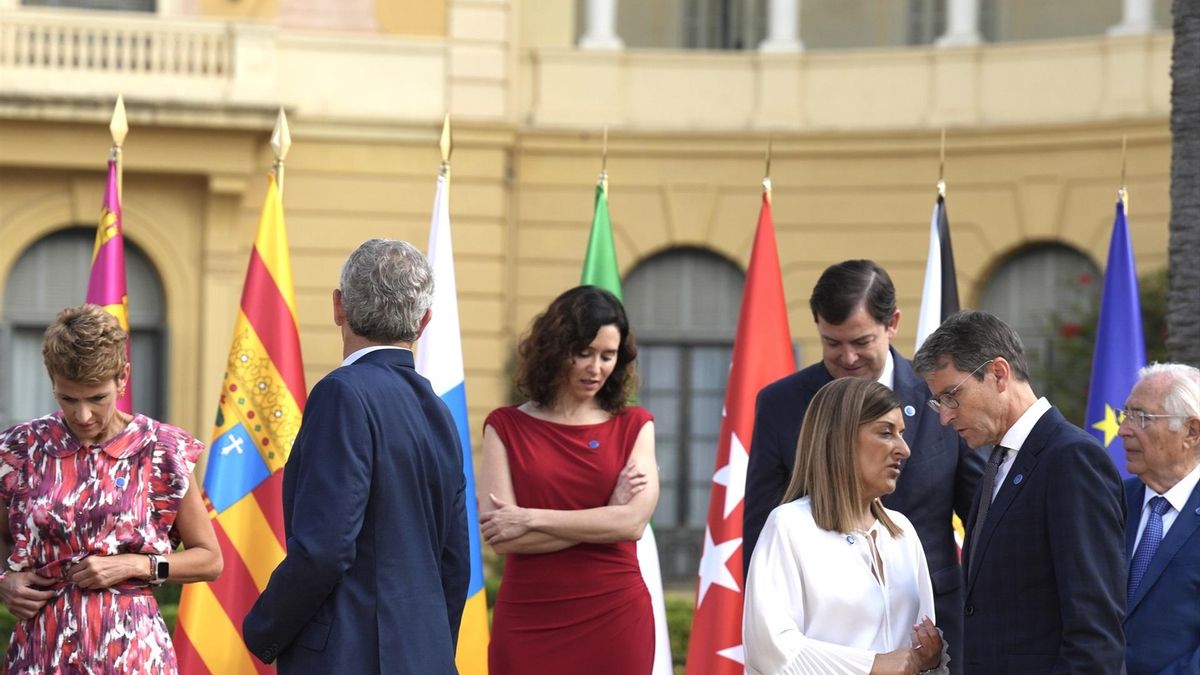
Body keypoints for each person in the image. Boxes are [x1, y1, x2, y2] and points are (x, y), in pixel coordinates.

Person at [744, 259, 983, 672]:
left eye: (860, 341)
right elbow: (762, 527)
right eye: (832, 343)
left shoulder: (941, 394)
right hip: (824, 638)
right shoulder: (781, 405)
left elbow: (980, 510)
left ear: (892, 323)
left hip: (932, 625)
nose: (847, 357)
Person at [243, 239, 469, 673]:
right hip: (425, 655)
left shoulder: (340, 393)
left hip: (351, 655)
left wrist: (264, 627)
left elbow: (326, 548)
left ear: (338, 307)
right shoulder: (440, 412)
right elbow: (454, 560)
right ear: (424, 322)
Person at [0, 304, 222, 673]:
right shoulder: (22, 449)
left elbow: (210, 560)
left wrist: (135, 564)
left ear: (123, 378)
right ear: (52, 381)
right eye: (68, 398)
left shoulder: (161, 449)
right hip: (42, 649)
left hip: (133, 654)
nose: (82, 415)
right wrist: (5, 581)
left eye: (97, 398)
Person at [913, 310, 1126, 674]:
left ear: (998, 374)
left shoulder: (1071, 458)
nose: (945, 417)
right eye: (939, 402)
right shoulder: (999, 463)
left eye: (951, 396)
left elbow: (1094, 631)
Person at [479, 285, 658, 675]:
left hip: (615, 617)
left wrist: (531, 518)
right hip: (529, 619)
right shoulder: (504, 426)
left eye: (608, 356)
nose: (596, 368)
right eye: (584, 353)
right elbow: (503, 538)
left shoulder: (635, 426)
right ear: (556, 348)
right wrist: (605, 517)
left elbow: (633, 523)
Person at [744, 377, 947, 675]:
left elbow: (919, 649)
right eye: (885, 433)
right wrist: (874, 666)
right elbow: (770, 648)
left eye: (901, 433)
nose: (904, 449)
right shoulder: (789, 526)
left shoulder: (902, 532)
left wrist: (929, 657)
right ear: (839, 438)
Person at [1119, 363, 1200, 675]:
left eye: (1142, 418)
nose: (1124, 429)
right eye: (1124, 414)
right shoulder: (1110, 502)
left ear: (1191, 432)